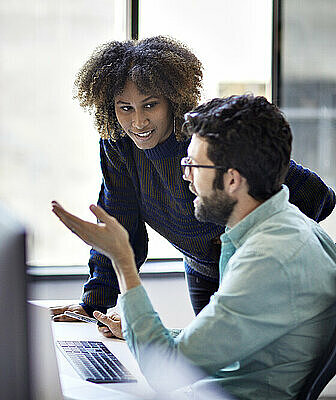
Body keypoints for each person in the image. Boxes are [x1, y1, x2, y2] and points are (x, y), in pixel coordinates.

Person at [52, 94, 336, 399]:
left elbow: (167, 371)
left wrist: (122, 258)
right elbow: (228, 346)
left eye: (193, 165)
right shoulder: (282, 227)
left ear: (232, 180)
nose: (185, 176)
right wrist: (139, 333)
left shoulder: (266, 259)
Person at [50, 36, 336, 332]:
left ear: (172, 100)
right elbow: (119, 225)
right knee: (212, 363)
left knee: (243, 363)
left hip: (247, 270)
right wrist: (93, 303)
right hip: (200, 269)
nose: (138, 122)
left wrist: (261, 254)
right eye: (125, 108)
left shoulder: (205, 139)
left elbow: (317, 196)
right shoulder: (118, 145)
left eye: (150, 105)